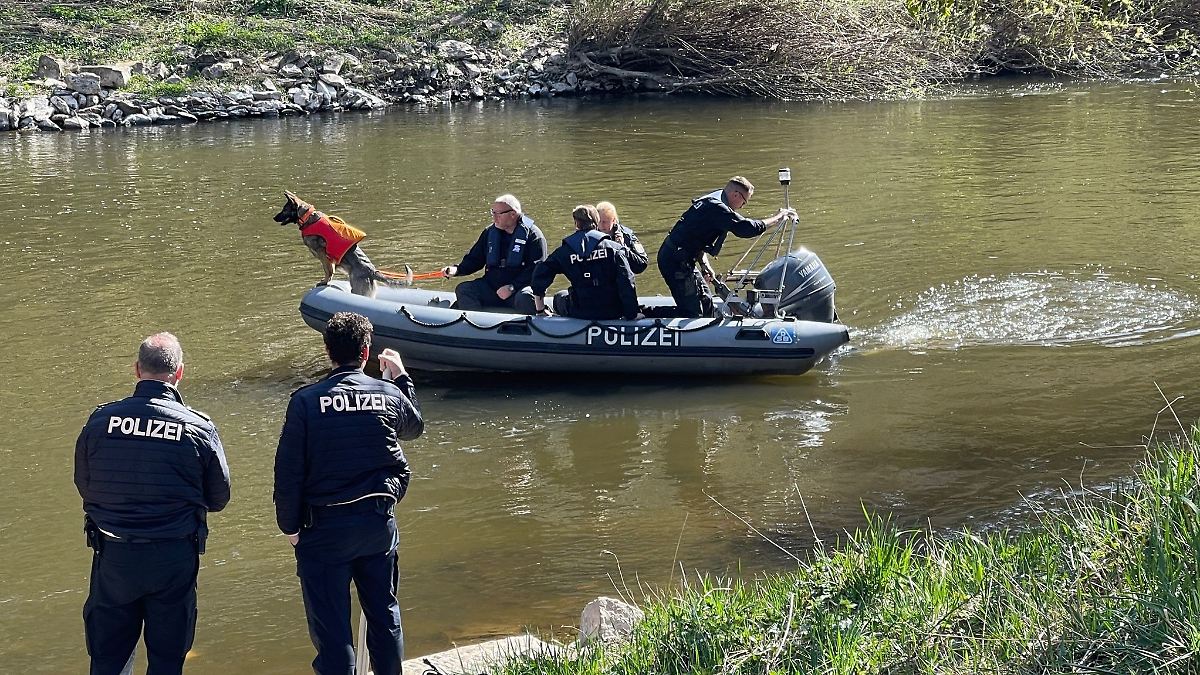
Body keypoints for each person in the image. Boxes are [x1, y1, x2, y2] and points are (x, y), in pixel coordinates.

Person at [273, 312, 424, 675]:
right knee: (384, 614)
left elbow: (288, 472)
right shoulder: (387, 394)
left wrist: (289, 527)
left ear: (328, 351)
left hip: (323, 530)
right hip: (376, 525)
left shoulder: (307, 402)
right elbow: (414, 427)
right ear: (366, 351)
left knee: (332, 628)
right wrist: (400, 378)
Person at [74, 332, 231, 675]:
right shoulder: (198, 428)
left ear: (136, 369)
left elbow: (85, 486)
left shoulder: (101, 422)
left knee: (108, 659)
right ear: (180, 373)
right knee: (166, 659)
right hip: (173, 557)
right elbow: (219, 496)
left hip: (114, 556)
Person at [656, 176, 796, 317]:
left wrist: (704, 264)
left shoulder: (715, 200)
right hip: (674, 261)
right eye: (744, 201)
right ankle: (646, 315)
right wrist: (779, 217)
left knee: (706, 301)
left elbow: (696, 235)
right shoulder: (716, 207)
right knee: (692, 313)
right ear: (736, 195)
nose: (742, 206)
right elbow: (746, 228)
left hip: (684, 257)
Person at [522, 204, 642, 321]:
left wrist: (540, 310)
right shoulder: (614, 248)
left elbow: (540, 274)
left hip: (580, 312)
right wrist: (632, 314)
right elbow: (627, 280)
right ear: (596, 222)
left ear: (576, 224)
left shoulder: (565, 251)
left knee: (559, 296)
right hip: (613, 311)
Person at [440, 194, 547, 313]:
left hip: (517, 289)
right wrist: (457, 270)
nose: (494, 218)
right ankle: (475, 325)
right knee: (464, 289)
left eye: (498, 214)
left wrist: (512, 287)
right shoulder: (490, 232)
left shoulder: (534, 236)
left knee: (526, 297)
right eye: (493, 213)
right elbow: (475, 259)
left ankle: (527, 327)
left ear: (513, 214)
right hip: (492, 287)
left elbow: (537, 270)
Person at [596, 201, 648, 274]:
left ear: (613, 220)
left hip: (622, 278)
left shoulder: (627, 235)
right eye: (599, 221)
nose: (601, 225)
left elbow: (642, 264)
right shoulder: (590, 236)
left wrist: (623, 248)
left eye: (605, 222)